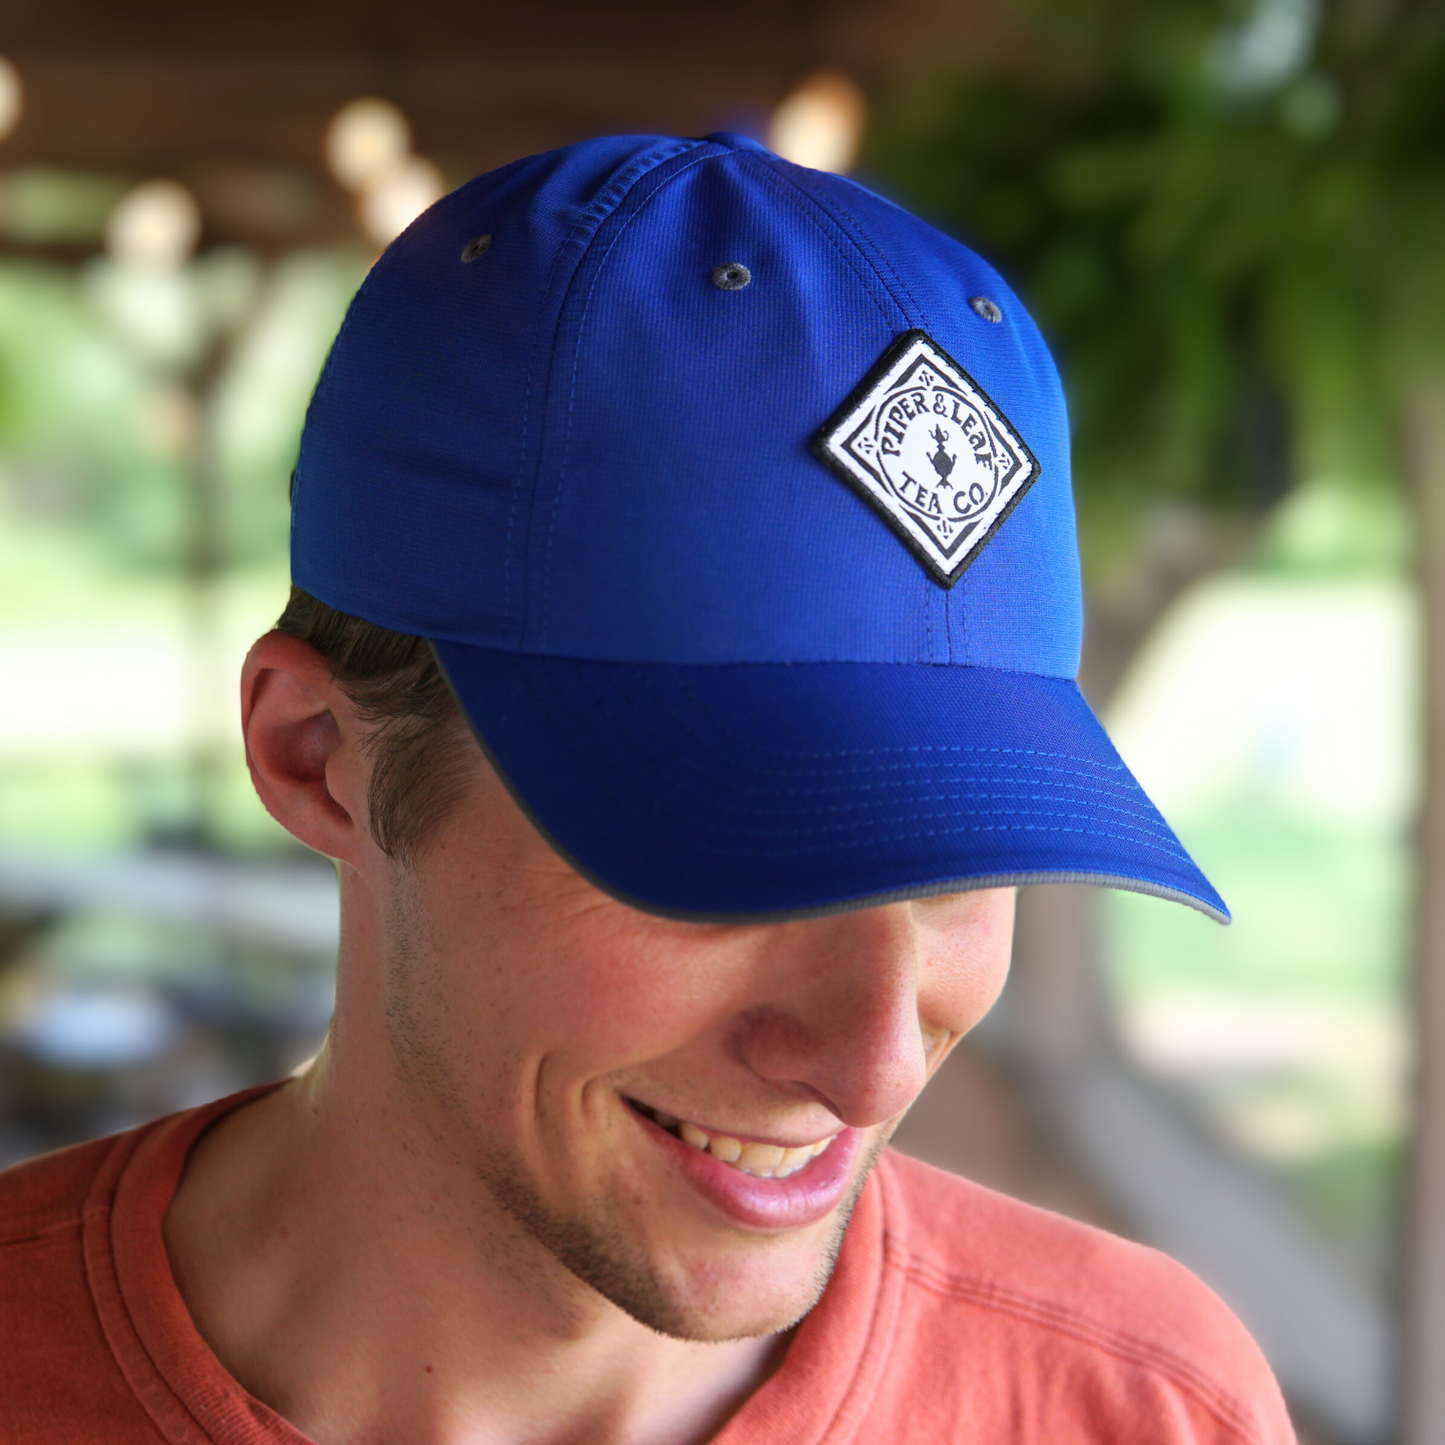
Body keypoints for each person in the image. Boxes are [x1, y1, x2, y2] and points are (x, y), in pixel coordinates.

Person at [0, 132, 1292, 1444]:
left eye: (965, 866)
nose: (874, 1060)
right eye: (727, 861)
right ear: (315, 756)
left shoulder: (1142, 1408)